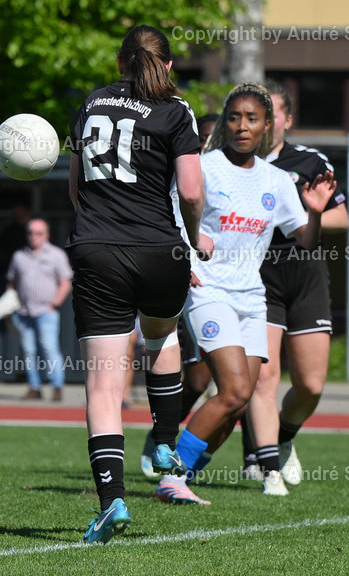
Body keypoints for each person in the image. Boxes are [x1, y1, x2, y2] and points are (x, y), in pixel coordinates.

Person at [68, 25, 208, 543]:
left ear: (120, 62)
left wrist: (94, 236)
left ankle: (112, 503)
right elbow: (191, 192)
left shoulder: (93, 102)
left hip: (97, 249)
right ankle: (167, 442)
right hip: (161, 249)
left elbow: (76, 184)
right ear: (167, 65)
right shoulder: (177, 109)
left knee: (104, 388)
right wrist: (193, 240)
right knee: (162, 335)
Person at [168, 82, 335, 501]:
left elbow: (305, 240)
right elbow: (170, 216)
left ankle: (185, 470)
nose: (243, 126)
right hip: (209, 292)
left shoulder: (277, 180)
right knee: (236, 391)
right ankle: (172, 474)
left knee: (240, 402)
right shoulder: (203, 167)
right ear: (225, 123)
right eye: (235, 117)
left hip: (251, 298)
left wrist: (314, 213)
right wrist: (181, 259)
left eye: (253, 119)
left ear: (268, 126)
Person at [242, 82, 349, 485]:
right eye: (253, 115)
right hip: (256, 275)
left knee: (310, 385)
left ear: (287, 119)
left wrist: (298, 214)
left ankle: (284, 437)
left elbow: (341, 219)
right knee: (264, 378)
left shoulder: (309, 161)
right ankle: (267, 468)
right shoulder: (232, 162)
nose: (261, 123)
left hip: (304, 275)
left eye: (270, 114)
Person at [139, 112, 220, 479]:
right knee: (201, 382)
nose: (205, 144)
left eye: (211, 138)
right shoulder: (180, 174)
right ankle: (163, 438)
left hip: (231, 289)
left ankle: (263, 460)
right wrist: (182, 263)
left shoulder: (243, 175)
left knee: (242, 387)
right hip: (187, 283)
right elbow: (174, 216)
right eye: (200, 137)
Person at [7, 217, 72, 402]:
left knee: (49, 348)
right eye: (31, 233)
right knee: (28, 351)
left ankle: (57, 386)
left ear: (47, 235)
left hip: (46, 311)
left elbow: (66, 282)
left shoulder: (56, 255)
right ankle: (34, 387)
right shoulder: (19, 255)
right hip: (24, 312)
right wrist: (10, 303)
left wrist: (54, 304)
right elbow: (11, 283)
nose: (34, 236)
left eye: (39, 233)